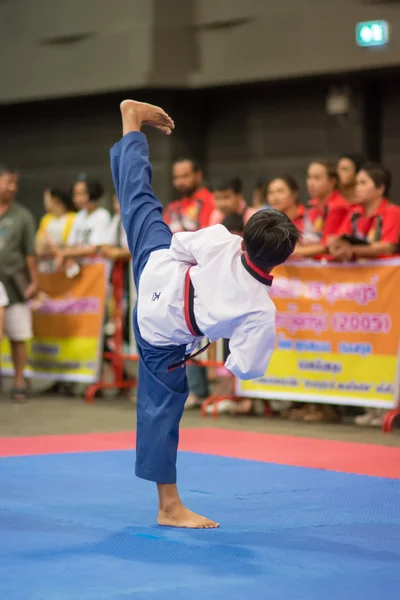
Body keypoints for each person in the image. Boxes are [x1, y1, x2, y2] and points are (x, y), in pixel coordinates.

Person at [111, 99, 299, 529]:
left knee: (139, 201)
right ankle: (169, 507)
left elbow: (179, 246)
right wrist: (223, 348)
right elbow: (246, 368)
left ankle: (130, 124)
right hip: (159, 329)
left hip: (156, 268)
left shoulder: (222, 238)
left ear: (247, 232)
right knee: (161, 407)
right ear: (282, 259)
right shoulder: (258, 311)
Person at [0, 165, 38, 401]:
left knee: (18, 334)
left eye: (15, 183)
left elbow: (30, 253)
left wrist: (34, 281)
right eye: (7, 182)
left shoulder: (22, 216)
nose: (12, 187)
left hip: (15, 284)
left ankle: (19, 380)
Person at [328, 163, 400, 261]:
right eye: (356, 183)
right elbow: (341, 237)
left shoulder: (392, 211)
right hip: (358, 272)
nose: (357, 188)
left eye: (363, 183)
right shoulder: (354, 213)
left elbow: (388, 247)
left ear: (380, 189)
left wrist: (352, 250)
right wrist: (335, 243)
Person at [293, 160, 349, 259]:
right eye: (309, 177)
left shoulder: (338, 207)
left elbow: (327, 247)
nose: (310, 183)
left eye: (317, 178)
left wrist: (292, 252)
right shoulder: (312, 206)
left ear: (332, 181)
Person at [54, 174, 110, 270]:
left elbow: (96, 248)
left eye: (82, 194)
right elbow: (71, 244)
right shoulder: (79, 216)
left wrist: (65, 253)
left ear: (93, 193)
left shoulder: (102, 215)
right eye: (75, 194)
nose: (77, 199)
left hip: (97, 269)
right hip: (80, 270)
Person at [164, 158, 214, 233]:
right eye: (176, 177)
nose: (180, 182)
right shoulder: (172, 207)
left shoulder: (212, 201)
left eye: (185, 176)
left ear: (198, 175)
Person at [36, 187, 76, 272]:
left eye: (47, 199)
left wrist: (56, 250)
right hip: (46, 265)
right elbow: (39, 246)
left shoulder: (73, 218)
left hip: (64, 265)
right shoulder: (46, 219)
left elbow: (71, 244)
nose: (45, 202)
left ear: (56, 200)